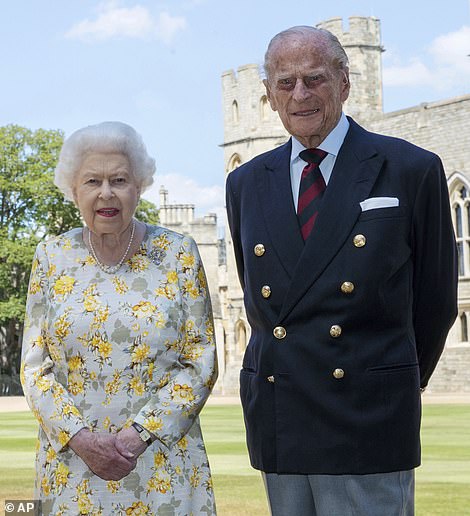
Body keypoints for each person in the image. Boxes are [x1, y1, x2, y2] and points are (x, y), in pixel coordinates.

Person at [225, 26, 457, 515]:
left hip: (367, 415)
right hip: (281, 416)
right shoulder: (245, 182)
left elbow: (436, 302)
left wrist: (386, 377)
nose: (300, 94)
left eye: (315, 79)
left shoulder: (411, 169)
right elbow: (260, 296)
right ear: (268, 96)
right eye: (285, 83)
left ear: (345, 83)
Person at [21, 121, 218, 515]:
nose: (106, 193)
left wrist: (138, 435)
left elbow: (201, 360)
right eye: (92, 180)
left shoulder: (178, 253)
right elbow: (34, 367)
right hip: (72, 467)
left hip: (162, 464)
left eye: (120, 179)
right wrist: (80, 439)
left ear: (139, 186)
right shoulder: (50, 257)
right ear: (73, 190)